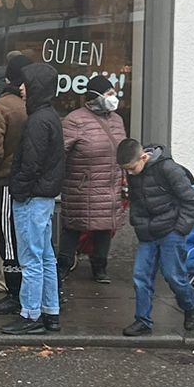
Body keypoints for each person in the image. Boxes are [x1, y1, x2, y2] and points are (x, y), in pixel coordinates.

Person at [118, 137, 194, 336]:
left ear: (144, 157)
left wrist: (179, 230)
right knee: (141, 277)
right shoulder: (135, 172)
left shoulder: (169, 169)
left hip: (171, 231)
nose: (129, 173)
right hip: (148, 231)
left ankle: (191, 306)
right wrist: (139, 224)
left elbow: (190, 201)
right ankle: (143, 320)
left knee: (174, 276)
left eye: (131, 168)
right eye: (126, 169)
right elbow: (138, 202)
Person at [2, 62, 65, 333]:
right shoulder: (50, 117)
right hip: (44, 197)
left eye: (26, 83)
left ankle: (30, 315)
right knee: (46, 257)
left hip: (32, 198)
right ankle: (51, 312)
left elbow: (30, 163)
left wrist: (19, 189)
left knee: (31, 259)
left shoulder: (38, 121)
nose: (22, 89)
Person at [59, 74, 128, 283]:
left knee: (104, 227)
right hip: (81, 185)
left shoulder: (117, 120)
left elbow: (122, 149)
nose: (113, 97)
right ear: (96, 96)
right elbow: (61, 151)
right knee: (73, 225)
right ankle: (63, 265)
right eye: (109, 93)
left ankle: (100, 267)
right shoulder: (75, 120)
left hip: (110, 183)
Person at [0, 53, 31, 312]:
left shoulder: (0, 107)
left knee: (7, 238)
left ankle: (13, 294)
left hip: (7, 180)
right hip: (30, 180)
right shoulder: (33, 106)